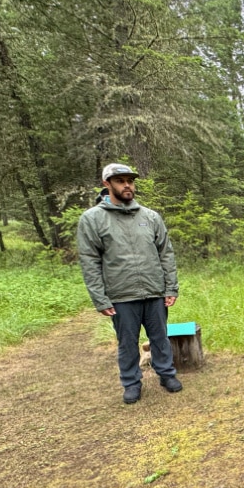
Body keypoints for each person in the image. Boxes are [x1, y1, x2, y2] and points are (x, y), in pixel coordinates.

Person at [77, 163, 183, 404]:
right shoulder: (93, 219)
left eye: (130, 181)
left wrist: (170, 287)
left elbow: (166, 253)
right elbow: (90, 261)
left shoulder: (150, 216)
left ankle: (167, 375)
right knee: (127, 342)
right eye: (120, 181)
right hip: (121, 295)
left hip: (154, 291)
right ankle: (131, 383)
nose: (127, 185)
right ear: (107, 184)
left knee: (160, 338)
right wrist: (100, 298)